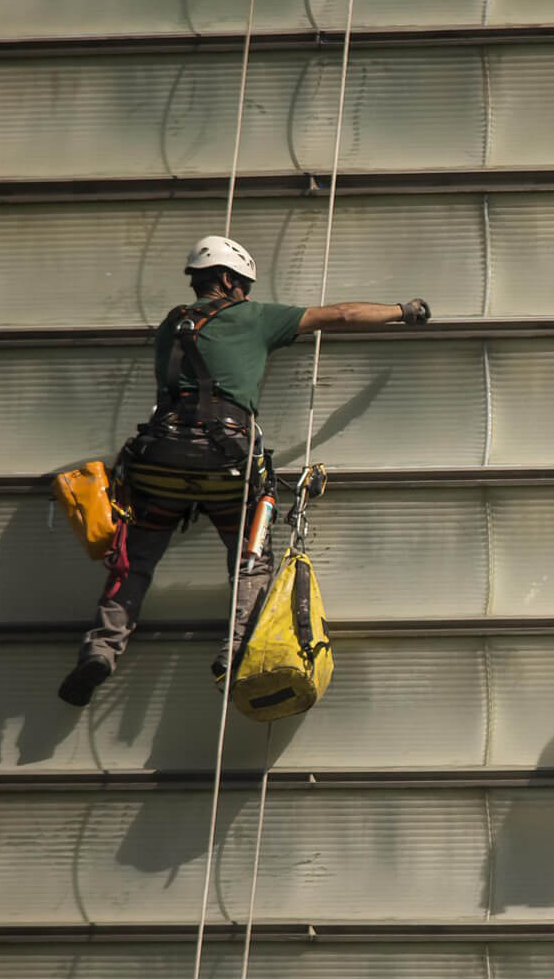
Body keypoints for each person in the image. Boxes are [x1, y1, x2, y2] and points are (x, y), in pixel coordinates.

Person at [57, 235, 430, 707]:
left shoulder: (170, 325)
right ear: (230, 280)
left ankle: (102, 651)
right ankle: (235, 650)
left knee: (134, 561)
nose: (249, 295)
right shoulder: (253, 317)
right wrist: (403, 309)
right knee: (250, 557)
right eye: (245, 286)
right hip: (225, 462)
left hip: (159, 460)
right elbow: (340, 315)